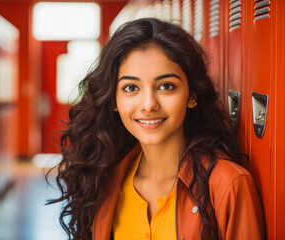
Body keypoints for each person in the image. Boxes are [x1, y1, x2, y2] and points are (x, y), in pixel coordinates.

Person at [48, 18, 264, 240]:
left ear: (192, 95)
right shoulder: (106, 179)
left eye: (166, 86)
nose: (149, 104)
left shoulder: (228, 185)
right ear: (113, 100)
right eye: (131, 88)